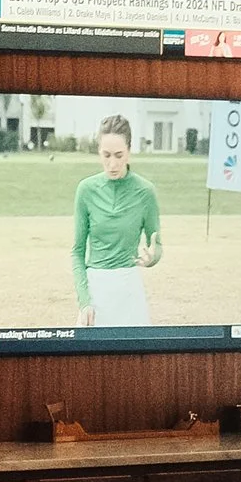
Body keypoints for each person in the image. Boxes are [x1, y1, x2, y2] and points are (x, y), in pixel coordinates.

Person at [70, 118, 162, 330]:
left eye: (119, 155)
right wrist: (84, 302)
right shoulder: (86, 190)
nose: (112, 164)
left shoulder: (145, 192)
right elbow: (77, 252)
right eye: (106, 155)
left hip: (129, 288)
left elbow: (157, 244)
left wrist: (152, 257)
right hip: (96, 289)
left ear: (129, 151)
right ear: (99, 152)